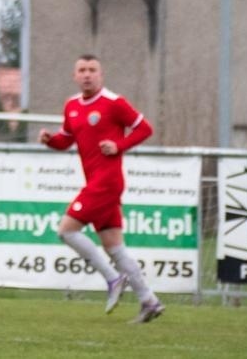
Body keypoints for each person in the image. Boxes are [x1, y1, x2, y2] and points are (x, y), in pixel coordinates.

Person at [38, 54, 163, 324]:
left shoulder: (113, 103)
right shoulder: (72, 105)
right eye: (82, 70)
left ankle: (113, 279)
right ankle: (149, 301)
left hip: (106, 182)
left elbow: (145, 128)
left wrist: (119, 145)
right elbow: (66, 139)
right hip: (95, 181)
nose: (87, 75)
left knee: (66, 230)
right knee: (114, 247)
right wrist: (50, 140)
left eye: (92, 70)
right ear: (75, 76)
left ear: (101, 75)